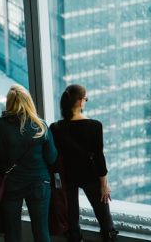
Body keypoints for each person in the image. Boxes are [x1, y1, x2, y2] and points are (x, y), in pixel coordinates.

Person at [0, 84, 57, 242]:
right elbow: (52, 158)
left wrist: (3, 168)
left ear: (9, 103)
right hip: (39, 182)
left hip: (11, 184)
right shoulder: (40, 125)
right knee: (41, 232)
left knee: (12, 233)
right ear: (29, 101)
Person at [49, 84, 118, 242]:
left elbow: (54, 157)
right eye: (85, 99)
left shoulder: (56, 128)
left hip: (68, 178)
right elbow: (99, 158)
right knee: (105, 219)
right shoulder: (95, 126)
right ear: (80, 102)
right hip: (91, 177)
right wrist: (104, 185)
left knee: (72, 222)